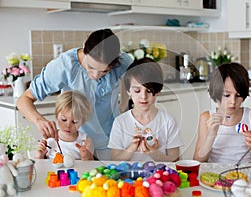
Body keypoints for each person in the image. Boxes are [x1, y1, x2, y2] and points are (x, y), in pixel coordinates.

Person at [16, 29, 133, 160]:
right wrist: (39, 120)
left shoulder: (123, 61)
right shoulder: (64, 66)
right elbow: (23, 100)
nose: (95, 76)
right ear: (84, 48)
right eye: (91, 67)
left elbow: (133, 82)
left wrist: (124, 104)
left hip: (112, 141)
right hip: (76, 146)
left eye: (104, 72)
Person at [108, 57, 184, 162]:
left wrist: (153, 153)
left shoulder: (168, 122)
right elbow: (114, 159)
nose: (143, 96)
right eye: (137, 90)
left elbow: (175, 161)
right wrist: (132, 147)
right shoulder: (120, 122)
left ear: (158, 91)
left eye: (149, 90)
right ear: (128, 91)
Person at [193, 62, 251, 163]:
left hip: (244, 174)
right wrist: (211, 134)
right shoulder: (206, 117)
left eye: (238, 95)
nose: (233, 102)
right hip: (216, 174)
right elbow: (198, 160)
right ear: (216, 93)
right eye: (226, 95)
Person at [34, 91, 94, 160]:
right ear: (56, 116)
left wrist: (86, 156)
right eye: (64, 120)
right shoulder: (49, 138)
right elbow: (38, 165)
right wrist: (39, 156)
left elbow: (90, 165)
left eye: (74, 122)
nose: (68, 126)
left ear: (83, 121)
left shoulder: (85, 141)